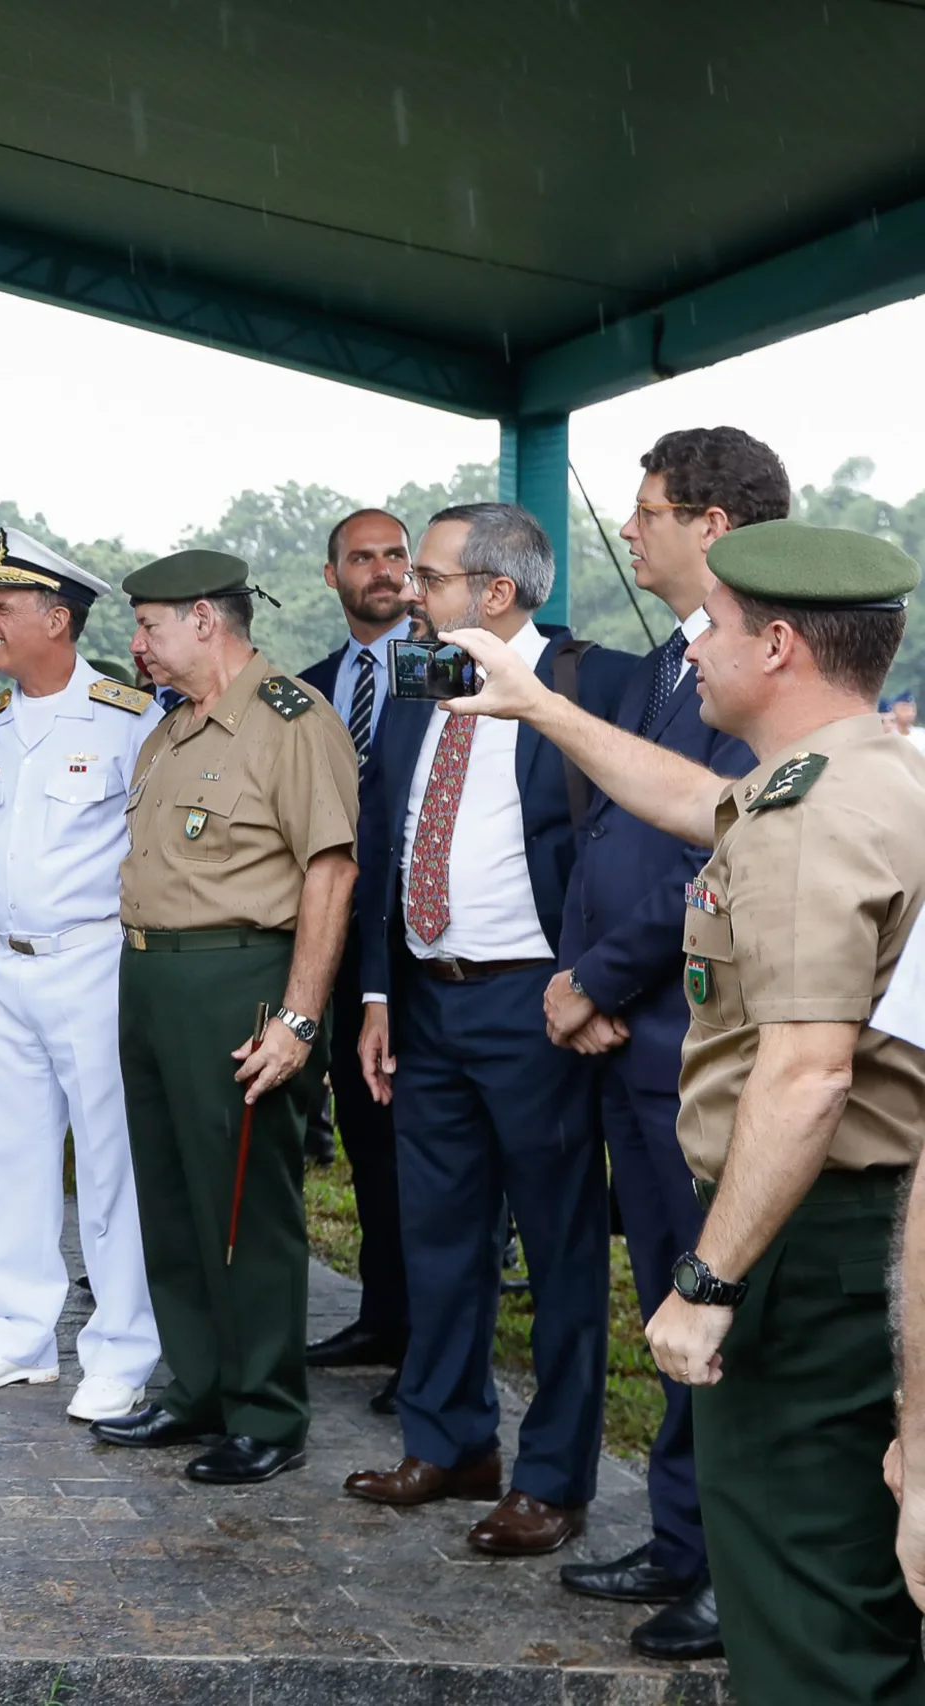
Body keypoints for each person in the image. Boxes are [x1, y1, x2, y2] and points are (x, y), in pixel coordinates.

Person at [442, 520, 925, 1706]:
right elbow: (700, 801)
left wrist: (707, 1282)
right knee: (848, 1573)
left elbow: (807, 1073)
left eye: (710, 623)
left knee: (802, 1594)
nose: (691, 645)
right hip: (845, 1230)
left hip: (806, 1246)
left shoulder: (816, 815)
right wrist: (541, 705)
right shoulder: (853, 773)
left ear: (776, 645)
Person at [342, 504, 632, 1556]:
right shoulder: (429, 679)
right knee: (438, 1235)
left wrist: (594, 981)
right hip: (426, 999)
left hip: (538, 1005)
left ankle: (552, 1477)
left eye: (428, 573)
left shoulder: (595, 683)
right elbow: (383, 838)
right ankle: (451, 1441)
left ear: (495, 591)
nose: (410, 590)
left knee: (557, 1247)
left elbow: (634, 842)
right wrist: (377, 992)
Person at [548, 430, 778, 1659]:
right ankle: (679, 1537)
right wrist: (585, 980)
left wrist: (596, 974)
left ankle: (735, 1573)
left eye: (647, 514)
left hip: (693, 1037)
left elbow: (714, 852)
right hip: (627, 1038)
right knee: (663, 1298)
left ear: (714, 526)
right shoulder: (655, 670)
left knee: (715, 1301)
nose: (629, 535)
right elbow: (613, 838)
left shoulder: (760, 672)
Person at [92, 549, 358, 1486]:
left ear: (206, 620)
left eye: (151, 627)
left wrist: (298, 1019)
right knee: (171, 1201)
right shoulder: (170, 732)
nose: (138, 646)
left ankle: (266, 1413)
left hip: (238, 981)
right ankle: (198, 1387)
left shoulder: (291, 722)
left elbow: (330, 871)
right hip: (153, 979)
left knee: (246, 1209)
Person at [0, 530, 160, 1422]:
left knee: (111, 1163)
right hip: (9, 967)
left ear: (57, 619)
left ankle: (120, 1349)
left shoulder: (128, 719)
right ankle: (22, 1335)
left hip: (94, 962)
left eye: (4, 605)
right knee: (16, 1155)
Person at [297, 509, 411, 1406]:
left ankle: (429, 1341)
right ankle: (382, 1313)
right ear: (331, 576)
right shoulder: (308, 689)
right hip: (334, 943)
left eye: (395, 556)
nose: (381, 570)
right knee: (367, 1141)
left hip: (423, 947)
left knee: (423, 1148)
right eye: (362, 557)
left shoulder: (450, 670)